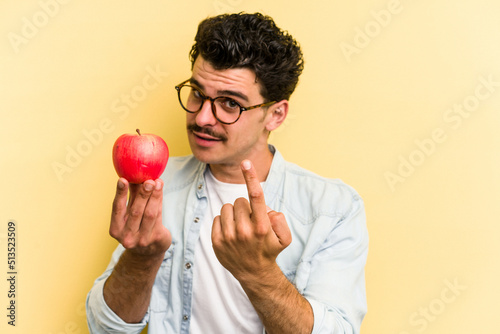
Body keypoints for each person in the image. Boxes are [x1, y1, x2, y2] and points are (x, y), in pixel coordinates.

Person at [86, 12, 368, 334]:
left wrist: (259, 272)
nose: (203, 117)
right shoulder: (158, 186)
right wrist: (141, 259)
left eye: (230, 104)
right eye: (197, 93)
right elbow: (105, 329)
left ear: (275, 114)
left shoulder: (333, 209)